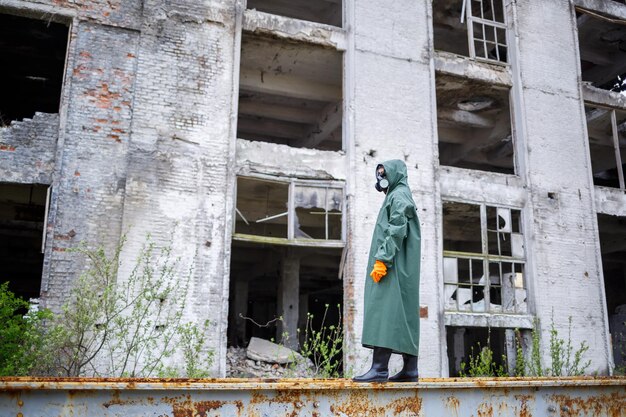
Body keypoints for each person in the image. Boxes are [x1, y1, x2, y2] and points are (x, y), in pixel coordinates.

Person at [353, 159, 421, 383]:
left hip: (392, 264)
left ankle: (380, 368)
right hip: (401, 265)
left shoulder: (398, 195)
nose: (381, 179)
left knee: (383, 309)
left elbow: (396, 229)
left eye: (384, 174)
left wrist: (382, 259)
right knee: (404, 315)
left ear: (395, 174)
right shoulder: (399, 194)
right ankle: (410, 370)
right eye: (379, 174)